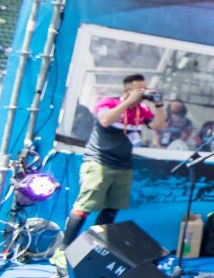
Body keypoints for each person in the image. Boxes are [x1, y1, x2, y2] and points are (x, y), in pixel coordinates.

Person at [57, 74, 166, 253]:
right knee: (85, 205)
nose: (142, 93)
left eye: (144, 89)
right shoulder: (109, 103)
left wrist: (159, 104)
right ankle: (64, 249)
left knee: (112, 208)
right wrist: (127, 102)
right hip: (99, 161)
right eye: (139, 89)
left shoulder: (142, 110)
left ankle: (95, 248)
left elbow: (159, 126)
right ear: (127, 90)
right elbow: (105, 120)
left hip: (123, 165)